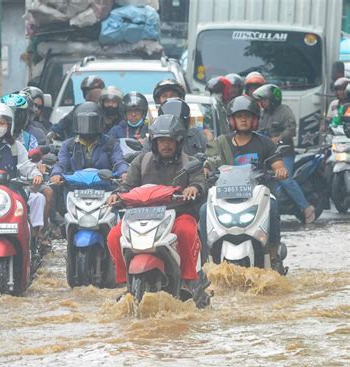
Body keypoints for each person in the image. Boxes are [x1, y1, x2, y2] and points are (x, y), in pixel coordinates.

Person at [106, 114, 211, 308]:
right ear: (154, 142)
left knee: (186, 232)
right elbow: (127, 185)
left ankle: (188, 278)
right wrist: (117, 195)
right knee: (114, 235)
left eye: (170, 140)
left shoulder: (190, 162)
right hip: (141, 216)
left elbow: (199, 181)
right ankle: (124, 281)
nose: (166, 145)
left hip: (178, 214)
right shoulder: (141, 161)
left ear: (178, 142)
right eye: (161, 140)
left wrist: (194, 188)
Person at [202, 95, 288, 273]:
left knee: (273, 205)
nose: (243, 119)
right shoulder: (220, 144)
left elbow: (277, 164)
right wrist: (204, 171)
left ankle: (273, 255)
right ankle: (205, 257)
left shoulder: (264, 143)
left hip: (256, 197)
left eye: (247, 116)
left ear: (254, 120)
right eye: (239, 116)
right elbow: (208, 164)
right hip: (225, 197)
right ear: (231, 120)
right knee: (203, 210)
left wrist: (280, 170)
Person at [0, 103, 46, 251]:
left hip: (13, 191)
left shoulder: (17, 147)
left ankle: (31, 241)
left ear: (9, 125)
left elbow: (26, 166)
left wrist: (36, 175)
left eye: (2, 123)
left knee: (37, 198)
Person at [253, 84, 315, 223]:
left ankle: (306, 208)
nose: (262, 103)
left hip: (284, 153)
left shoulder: (284, 111)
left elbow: (291, 129)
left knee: (285, 179)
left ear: (272, 99)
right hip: (267, 154)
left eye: (264, 100)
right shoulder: (264, 114)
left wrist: (278, 138)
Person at [50, 101, 129, 187]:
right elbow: (62, 163)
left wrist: (124, 173)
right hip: (74, 187)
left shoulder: (111, 144)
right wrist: (56, 174)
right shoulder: (68, 145)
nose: (87, 126)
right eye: (82, 121)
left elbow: (119, 162)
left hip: (105, 188)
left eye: (91, 121)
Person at [49, 75, 105, 141]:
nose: (88, 94)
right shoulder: (79, 109)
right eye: (86, 91)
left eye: (91, 91)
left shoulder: (107, 109)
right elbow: (63, 123)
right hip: (76, 146)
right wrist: (53, 132)